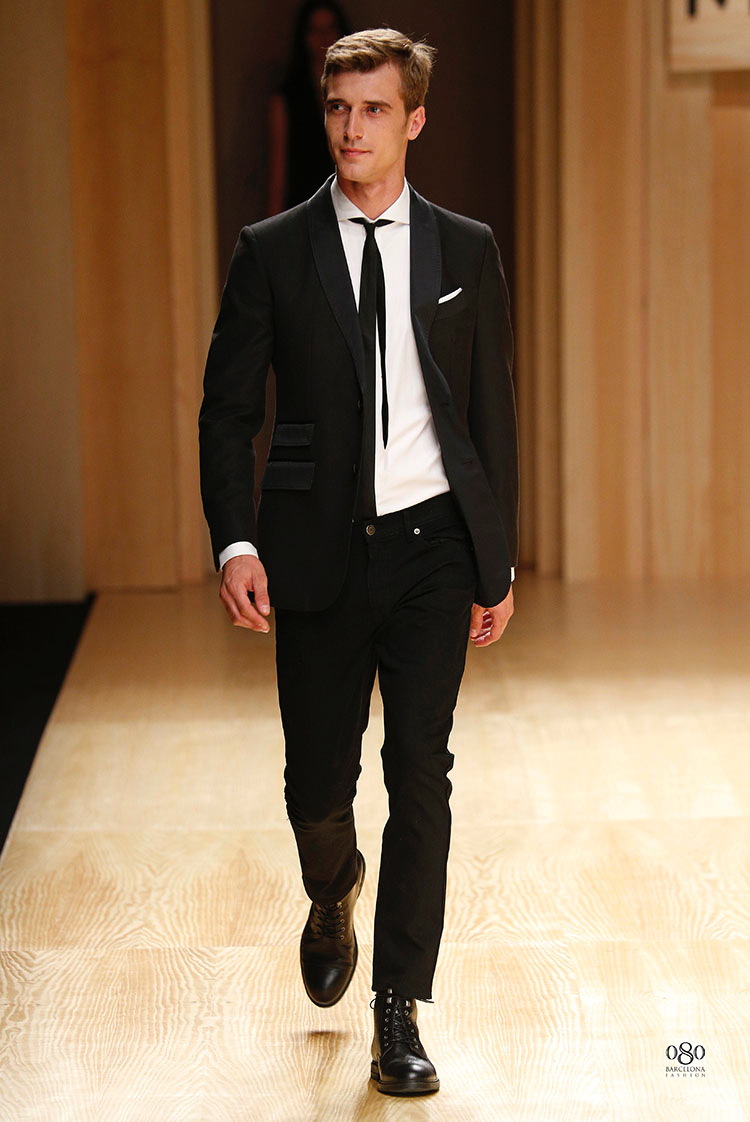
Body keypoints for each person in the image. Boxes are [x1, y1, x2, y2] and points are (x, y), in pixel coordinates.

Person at [199, 27, 518, 1097]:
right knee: (316, 784)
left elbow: (491, 415)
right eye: (339, 107)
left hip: (432, 547)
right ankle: (332, 886)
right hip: (314, 550)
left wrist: (497, 561)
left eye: (375, 109)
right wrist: (237, 539)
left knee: (421, 771)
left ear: (414, 119)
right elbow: (227, 411)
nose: (351, 127)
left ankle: (398, 1010)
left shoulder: (465, 249)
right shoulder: (273, 250)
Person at [267, 1, 351, 214]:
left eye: (330, 28)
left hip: (350, 205)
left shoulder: (358, 93)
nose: (324, 38)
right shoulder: (287, 99)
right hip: (305, 208)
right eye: (316, 31)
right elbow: (278, 178)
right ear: (304, 38)